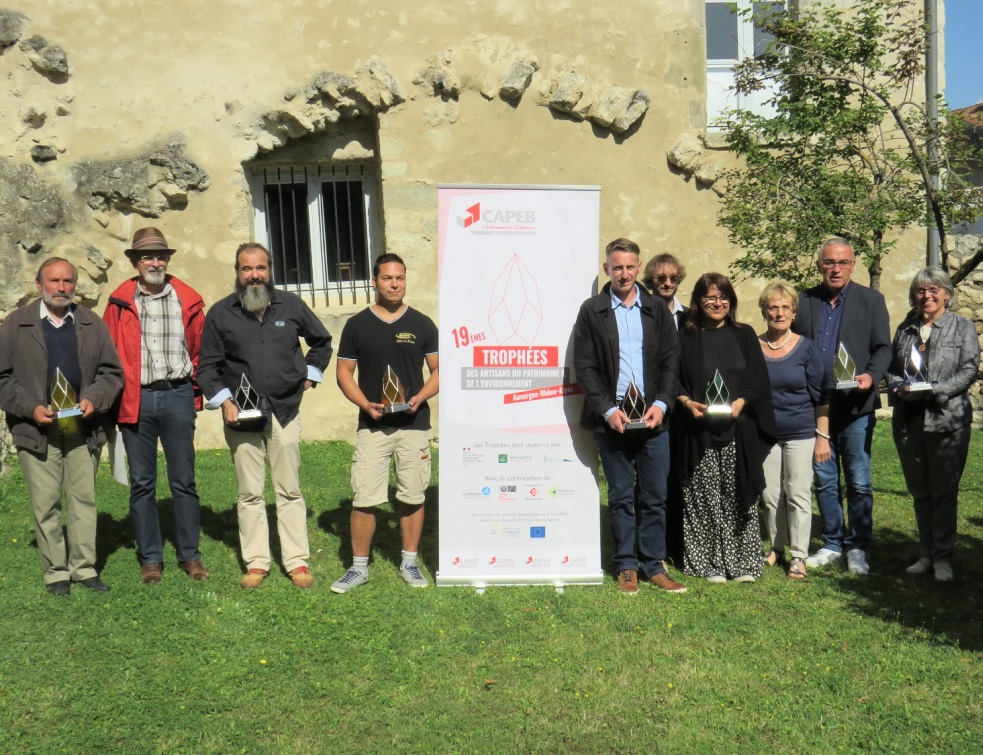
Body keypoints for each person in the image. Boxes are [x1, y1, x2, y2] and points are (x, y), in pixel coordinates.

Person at [197, 242, 333, 589]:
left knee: (289, 489)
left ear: (270, 270)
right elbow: (208, 367)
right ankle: (257, 562)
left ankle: (297, 561)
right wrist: (224, 401)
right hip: (241, 416)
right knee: (250, 493)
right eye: (247, 269)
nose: (254, 275)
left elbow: (321, 341)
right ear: (237, 272)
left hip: (285, 410)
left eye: (260, 268)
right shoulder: (220, 314)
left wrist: (312, 374)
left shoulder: (291, 305)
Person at [0, 258, 123, 595]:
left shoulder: (91, 324)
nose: (61, 287)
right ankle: (56, 573)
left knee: (83, 499)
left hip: (83, 427)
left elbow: (111, 373)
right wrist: (30, 408)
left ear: (75, 285)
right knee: (46, 502)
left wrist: (94, 400)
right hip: (36, 428)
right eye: (54, 281)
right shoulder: (16, 324)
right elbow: (3, 377)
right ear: (39, 285)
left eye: (68, 281)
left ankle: (84, 568)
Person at [573, 238, 687, 595]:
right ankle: (626, 565)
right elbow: (585, 366)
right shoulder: (592, 310)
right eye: (617, 267)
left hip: (654, 420)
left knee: (655, 496)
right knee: (622, 495)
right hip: (615, 420)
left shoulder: (656, 308)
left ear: (639, 269)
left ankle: (654, 564)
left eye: (630, 267)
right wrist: (607, 410)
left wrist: (663, 404)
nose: (623, 273)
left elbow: (671, 362)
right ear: (607, 269)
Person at [104, 227, 208, 584]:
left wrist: (194, 391)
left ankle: (190, 555)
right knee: (142, 483)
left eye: (161, 255)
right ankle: (151, 558)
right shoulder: (119, 303)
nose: (155, 261)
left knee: (184, 481)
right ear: (135, 262)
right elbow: (108, 355)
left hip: (178, 394)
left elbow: (199, 351)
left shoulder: (187, 300)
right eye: (147, 256)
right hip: (138, 398)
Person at [330, 253, 439, 593]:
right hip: (373, 425)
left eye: (400, 278)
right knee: (364, 497)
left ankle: (409, 562)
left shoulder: (422, 324)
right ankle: (358, 568)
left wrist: (420, 397)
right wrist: (365, 404)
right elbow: (343, 373)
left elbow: (438, 371)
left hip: (413, 425)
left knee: (412, 494)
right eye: (388, 278)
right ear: (374, 282)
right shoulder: (357, 325)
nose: (395, 284)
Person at [792, 238, 891, 575]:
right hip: (814, 405)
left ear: (853, 265)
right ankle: (833, 542)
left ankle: (859, 545)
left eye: (842, 262)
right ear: (819, 265)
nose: (835, 269)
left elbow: (883, 348)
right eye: (829, 262)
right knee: (824, 477)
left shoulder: (871, 300)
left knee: (859, 479)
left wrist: (871, 377)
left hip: (855, 405)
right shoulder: (803, 301)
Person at [676, 273, 776, 583]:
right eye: (710, 297)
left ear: (730, 302)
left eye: (723, 297)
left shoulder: (743, 334)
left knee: (737, 495)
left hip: (737, 430)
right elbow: (672, 376)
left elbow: (757, 377)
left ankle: (743, 564)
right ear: (698, 301)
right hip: (699, 433)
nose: (717, 302)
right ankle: (708, 564)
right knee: (704, 499)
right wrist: (685, 401)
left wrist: (741, 401)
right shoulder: (686, 335)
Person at [888, 268, 979, 583]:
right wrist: (899, 386)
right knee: (920, 493)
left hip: (946, 421)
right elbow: (891, 370)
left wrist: (935, 390)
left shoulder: (961, 327)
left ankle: (943, 558)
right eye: (920, 291)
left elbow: (969, 370)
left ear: (946, 293)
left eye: (932, 290)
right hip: (909, 422)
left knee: (943, 493)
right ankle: (925, 554)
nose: (926, 296)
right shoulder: (905, 328)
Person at [757, 281, 829, 580]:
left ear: (794, 312)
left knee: (797, 493)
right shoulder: (754, 346)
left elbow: (822, 396)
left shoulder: (807, 348)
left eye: (785, 307)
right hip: (766, 434)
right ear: (764, 311)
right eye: (773, 307)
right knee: (771, 494)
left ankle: (798, 555)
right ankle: (776, 549)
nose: (779, 312)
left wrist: (822, 436)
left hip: (800, 432)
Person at [642, 253, 688, 329]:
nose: (668, 284)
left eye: (673, 278)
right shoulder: (642, 314)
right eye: (661, 278)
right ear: (650, 280)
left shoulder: (689, 316)